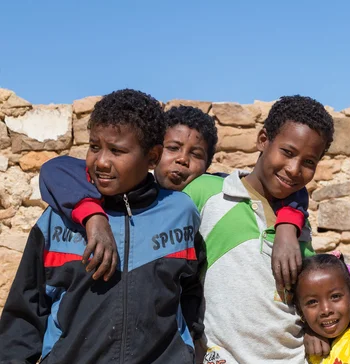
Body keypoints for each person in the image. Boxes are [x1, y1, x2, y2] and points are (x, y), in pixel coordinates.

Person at [0, 89, 203, 364]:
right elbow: (27, 306)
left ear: (152, 156)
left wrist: (187, 363)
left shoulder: (181, 213)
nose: (102, 162)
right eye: (94, 147)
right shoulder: (57, 219)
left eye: (117, 151)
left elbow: (191, 298)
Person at [38, 105, 309, 291]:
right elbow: (57, 168)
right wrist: (93, 216)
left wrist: (287, 225)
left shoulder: (213, 192)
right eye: (173, 148)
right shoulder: (132, 196)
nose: (182, 159)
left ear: (208, 164)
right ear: (153, 153)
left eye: (196, 154)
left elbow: (288, 188)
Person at [183, 95, 335, 364]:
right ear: (263, 139)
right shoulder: (207, 194)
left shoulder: (298, 221)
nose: (294, 169)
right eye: (287, 152)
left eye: (308, 162)